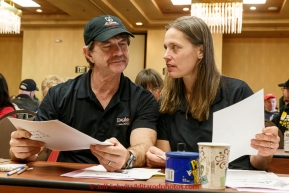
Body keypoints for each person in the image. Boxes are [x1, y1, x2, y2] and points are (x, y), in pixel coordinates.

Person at [9, 15, 158, 172]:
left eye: (123, 44)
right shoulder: (59, 95)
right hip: (65, 181)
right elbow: (32, 146)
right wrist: (20, 151)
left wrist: (128, 157)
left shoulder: (142, 98)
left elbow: (144, 146)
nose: (119, 52)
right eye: (107, 46)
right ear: (88, 54)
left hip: (120, 181)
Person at [146, 16, 279, 171]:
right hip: (188, 184)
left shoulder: (238, 92)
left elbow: (260, 163)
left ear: (201, 51)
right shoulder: (167, 103)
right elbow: (165, 160)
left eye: (175, 47)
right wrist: (158, 158)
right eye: (166, 47)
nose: (166, 55)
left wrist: (265, 149)